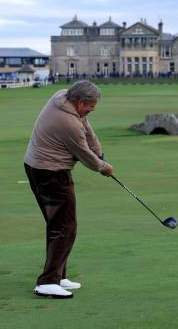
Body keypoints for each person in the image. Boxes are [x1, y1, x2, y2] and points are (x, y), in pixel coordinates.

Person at [24, 81, 113, 299]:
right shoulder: (67, 123)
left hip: (39, 167)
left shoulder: (63, 96)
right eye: (90, 106)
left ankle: (58, 275)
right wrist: (104, 166)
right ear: (80, 102)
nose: (92, 110)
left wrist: (99, 150)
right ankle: (47, 282)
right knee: (65, 227)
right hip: (50, 173)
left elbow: (86, 125)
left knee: (58, 225)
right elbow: (84, 154)